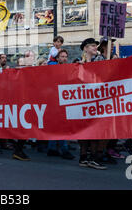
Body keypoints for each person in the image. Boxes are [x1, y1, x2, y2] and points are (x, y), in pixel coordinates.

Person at [76, 38, 107, 170]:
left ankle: (95, 157)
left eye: (96, 46)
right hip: (84, 102)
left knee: (98, 130)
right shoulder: (78, 63)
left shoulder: (100, 60)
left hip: (99, 101)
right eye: (93, 46)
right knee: (85, 130)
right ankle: (84, 157)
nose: (95, 48)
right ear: (85, 48)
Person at [47, 49, 75, 160]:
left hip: (64, 100)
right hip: (54, 101)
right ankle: (63, 149)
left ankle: (52, 148)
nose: (64, 58)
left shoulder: (68, 69)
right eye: (62, 56)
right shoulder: (53, 68)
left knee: (60, 126)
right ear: (57, 58)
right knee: (59, 126)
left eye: (66, 56)